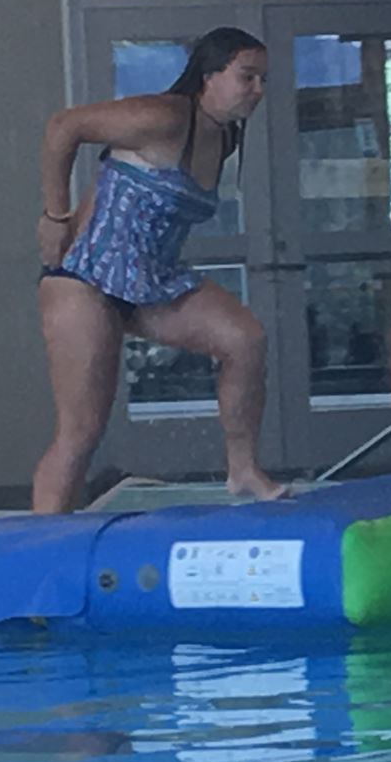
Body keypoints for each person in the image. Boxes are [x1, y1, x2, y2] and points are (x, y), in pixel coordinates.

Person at [33, 26, 285, 514]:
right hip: (84, 280)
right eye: (246, 77)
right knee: (81, 432)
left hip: (149, 282)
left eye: (262, 80)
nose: (258, 90)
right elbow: (63, 126)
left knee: (244, 340)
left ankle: (243, 470)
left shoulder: (225, 136)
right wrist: (55, 214)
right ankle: (44, 546)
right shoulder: (164, 116)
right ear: (209, 76)